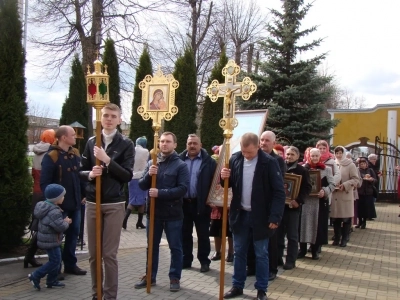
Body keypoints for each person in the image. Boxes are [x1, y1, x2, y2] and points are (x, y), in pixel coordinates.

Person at [79, 103, 134, 300]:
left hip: (114, 203)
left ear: (119, 120)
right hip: (93, 202)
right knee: (93, 255)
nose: (109, 119)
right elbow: (81, 171)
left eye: (113, 116)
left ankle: (110, 296)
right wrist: (90, 174)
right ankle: (97, 294)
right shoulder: (92, 141)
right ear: (100, 118)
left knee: (108, 254)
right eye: (105, 116)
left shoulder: (126, 144)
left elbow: (127, 175)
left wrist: (107, 160)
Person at [221, 133, 285, 300]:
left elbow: (279, 192)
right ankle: (237, 286)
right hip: (240, 214)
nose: (246, 155)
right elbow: (228, 184)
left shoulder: (269, 163)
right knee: (239, 252)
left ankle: (261, 289)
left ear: (258, 147)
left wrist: (275, 217)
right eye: (243, 151)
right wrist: (224, 177)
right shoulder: (235, 159)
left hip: (261, 217)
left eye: (249, 152)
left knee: (261, 254)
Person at [134, 132, 189, 292]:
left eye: (168, 141)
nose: (164, 144)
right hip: (154, 214)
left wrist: (160, 192)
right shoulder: (152, 162)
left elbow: (182, 189)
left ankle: (174, 278)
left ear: (175, 145)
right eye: (162, 141)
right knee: (151, 247)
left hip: (173, 215)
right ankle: (150, 276)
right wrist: (149, 174)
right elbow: (143, 186)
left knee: (175, 247)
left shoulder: (180, 165)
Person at [40, 126, 87, 276]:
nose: (75, 137)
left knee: (74, 234)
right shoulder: (52, 156)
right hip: (59, 206)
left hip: (76, 202)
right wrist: (53, 201)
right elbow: (45, 182)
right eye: (72, 135)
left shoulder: (75, 154)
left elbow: (80, 176)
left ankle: (70, 265)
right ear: (63, 138)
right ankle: (56, 267)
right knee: (57, 237)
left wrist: (84, 193)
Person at [247, 131, 286, 282]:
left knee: (271, 240)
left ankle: (272, 269)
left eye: (267, 141)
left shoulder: (277, 160)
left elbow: (278, 186)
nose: (263, 143)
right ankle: (251, 266)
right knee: (251, 238)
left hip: (269, 207)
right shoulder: (254, 156)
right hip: (253, 207)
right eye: (262, 140)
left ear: (273, 143)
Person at [178, 134, 216, 272]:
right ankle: (186, 259)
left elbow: (215, 182)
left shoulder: (209, 162)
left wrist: (213, 199)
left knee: (203, 234)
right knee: (184, 233)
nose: (192, 146)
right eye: (190, 143)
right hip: (183, 204)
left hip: (201, 204)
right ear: (186, 145)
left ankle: (204, 261)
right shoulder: (179, 160)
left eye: (195, 143)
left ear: (201, 145)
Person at [28, 184, 71, 291]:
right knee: (55, 261)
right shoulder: (54, 211)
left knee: (56, 259)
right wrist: (67, 222)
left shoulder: (44, 207)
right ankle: (36, 275)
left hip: (48, 239)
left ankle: (51, 280)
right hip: (51, 240)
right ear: (56, 199)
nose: (64, 198)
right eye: (62, 196)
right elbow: (59, 227)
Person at [24, 129, 55, 269]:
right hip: (44, 192)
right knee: (44, 227)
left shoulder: (37, 151)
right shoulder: (50, 152)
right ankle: (31, 256)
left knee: (38, 226)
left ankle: (29, 257)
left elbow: (33, 174)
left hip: (36, 192)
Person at [278, 146, 312, 270]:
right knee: (278, 234)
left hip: (293, 207)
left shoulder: (302, 170)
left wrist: (299, 201)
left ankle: (291, 261)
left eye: (292, 154)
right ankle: (277, 259)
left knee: (292, 235)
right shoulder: (280, 167)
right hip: (280, 206)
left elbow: (307, 188)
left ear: (297, 156)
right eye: (287, 154)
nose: (289, 157)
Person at [298, 148, 335, 260]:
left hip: (319, 202)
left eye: (316, 156)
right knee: (303, 225)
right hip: (305, 201)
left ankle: (315, 250)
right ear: (309, 156)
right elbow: (298, 183)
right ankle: (302, 250)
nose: (314, 158)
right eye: (312, 156)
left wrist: (324, 191)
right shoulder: (303, 168)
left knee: (317, 225)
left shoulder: (327, 169)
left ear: (320, 156)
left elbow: (332, 184)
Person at [209, 145, 234, 263]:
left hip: (230, 206)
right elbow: (211, 184)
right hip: (217, 206)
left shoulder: (232, 167)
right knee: (216, 230)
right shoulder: (215, 167)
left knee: (230, 231)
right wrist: (211, 199)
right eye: (220, 153)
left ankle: (231, 252)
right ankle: (218, 251)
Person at [331, 146, 360, 247]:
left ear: (343, 153)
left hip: (345, 195)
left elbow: (356, 179)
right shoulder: (333, 164)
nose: (338, 155)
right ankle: (336, 238)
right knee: (335, 219)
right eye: (337, 153)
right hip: (334, 195)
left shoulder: (350, 164)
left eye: (340, 153)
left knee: (346, 219)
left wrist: (345, 185)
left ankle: (344, 239)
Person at [123, 136, 149, 230]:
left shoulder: (132, 149)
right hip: (141, 176)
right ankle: (126, 220)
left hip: (131, 177)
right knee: (140, 199)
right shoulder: (145, 151)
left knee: (133, 198)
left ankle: (138, 222)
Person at [356, 157, 377, 229]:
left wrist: (371, 180)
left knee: (366, 208)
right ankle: (359, 222)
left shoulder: (370, 170)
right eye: (361, 164)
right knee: (359, 208)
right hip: (360, 192)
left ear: (366, 164)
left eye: (364, 164)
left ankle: (364, 222)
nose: (362, 165)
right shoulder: (357, 170)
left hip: (368, 192)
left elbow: (375, 179)